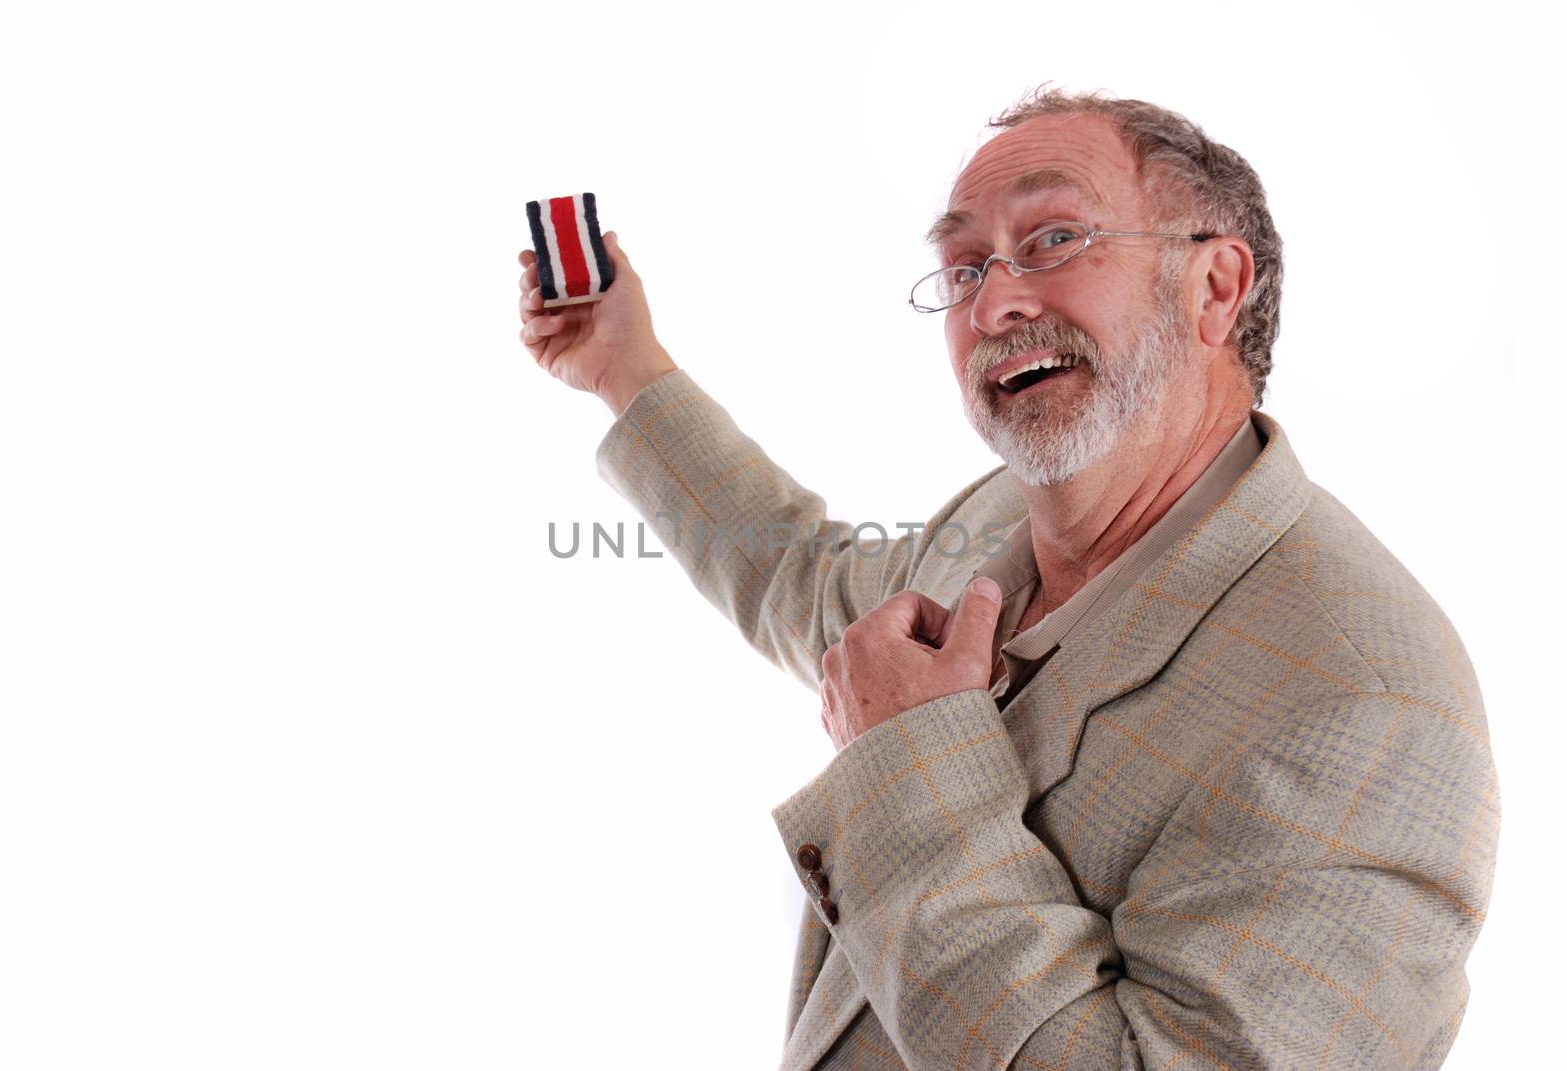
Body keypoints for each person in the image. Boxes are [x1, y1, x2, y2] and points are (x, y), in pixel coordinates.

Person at [517, 86, 1498, 1070]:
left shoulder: (1364, 703)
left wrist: (911, 754)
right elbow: (810, 589)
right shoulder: (1002, 518)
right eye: (962, 267)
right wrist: (623, 368)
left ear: (1214, 287)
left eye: (1054, 239)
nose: (993, 304)